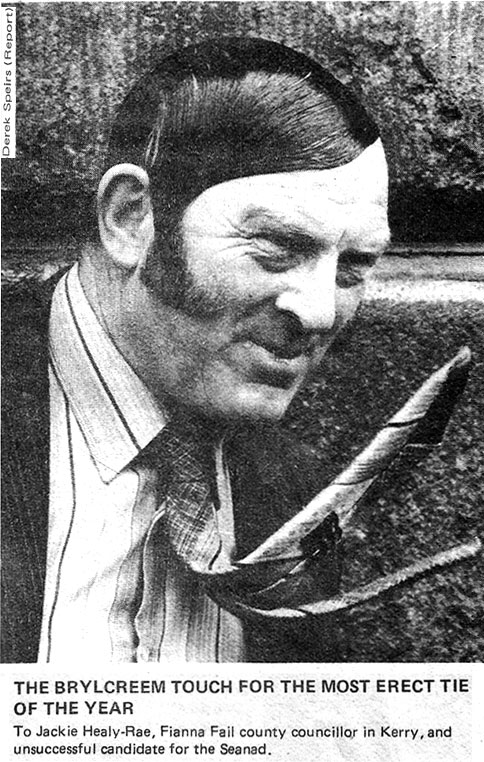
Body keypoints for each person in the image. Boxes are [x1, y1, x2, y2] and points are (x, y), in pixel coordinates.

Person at [1, 38, 390, 663]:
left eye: (354, 266)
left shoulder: (299, 492)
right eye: (276, 249)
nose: (319, 312)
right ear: (131, 218)